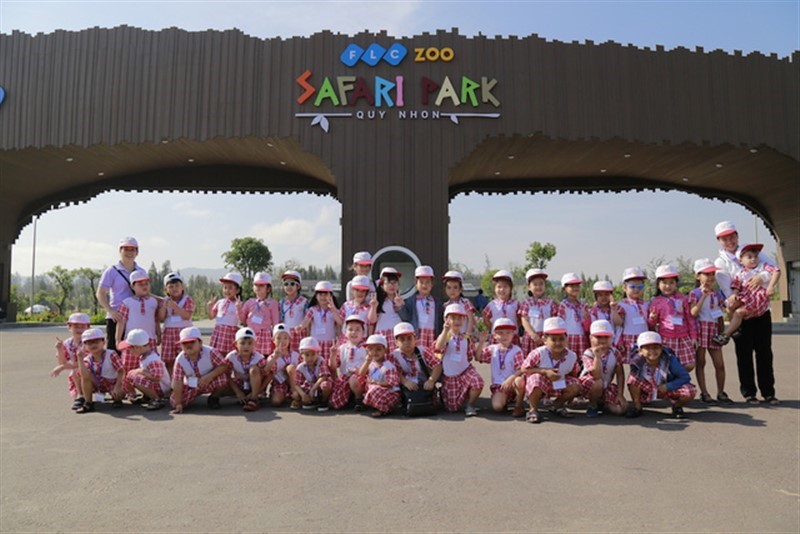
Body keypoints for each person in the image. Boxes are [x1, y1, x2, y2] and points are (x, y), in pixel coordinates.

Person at [713, 221, 780, 404]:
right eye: (724, 238)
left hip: (762, 310)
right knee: (744, 354)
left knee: (764, 352)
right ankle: (749, 393)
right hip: (742, 312)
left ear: (737, 235)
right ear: (719, 240)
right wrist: (736, 306)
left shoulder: (751, 250)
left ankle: (768, 392)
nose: (730, 241)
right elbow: (728, 290)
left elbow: (774, 269)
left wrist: (761, 277)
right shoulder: (721, 262)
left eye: (732, 236)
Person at [714, 244, 780, 345]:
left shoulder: (763, 266)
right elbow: (736, 285)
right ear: (741, 261)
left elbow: (776, 271)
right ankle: (734, 329)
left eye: (755, 256)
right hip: (746, 297)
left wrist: (771, 286)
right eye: (749, 257)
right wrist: (734, 294)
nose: (753, 259)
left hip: (757, 298)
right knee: (730, 306)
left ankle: (726, 334)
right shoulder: (741, 273)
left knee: (739, 312)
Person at [520, 317, 582, 424]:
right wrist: (544, 372)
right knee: (535, 379)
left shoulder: (571, 356)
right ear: (544, 340)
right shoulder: (538, 353)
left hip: (559, 382)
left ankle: (556, 406)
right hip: (541, 383)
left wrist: (571, 393)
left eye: (561, 339)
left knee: (576, 385)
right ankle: (533, 409)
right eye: (553, 339)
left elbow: (573, 373)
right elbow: (524, 369)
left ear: (566, 339)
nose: (558, 343)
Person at [688, 259, 733, 404]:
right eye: (706, 274)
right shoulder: (694, 293)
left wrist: (723, 332)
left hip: (713, 331)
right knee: (701, 363)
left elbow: (720, 315)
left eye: (712, 274)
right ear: (698, 276)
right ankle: (704, 393)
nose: (710, 277)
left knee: (719, 364)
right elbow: (693, 313)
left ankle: (721, 392)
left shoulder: (717, 295)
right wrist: (703, 296)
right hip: (700, 330)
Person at [625, 331, 697, 419]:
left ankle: (677, 407)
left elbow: (685, 377)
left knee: (690, 391)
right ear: (640, 351)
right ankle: (637, 407)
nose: (652, 351)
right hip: (648, 388)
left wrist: (668, 386)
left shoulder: (670, 359)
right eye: (647, 348)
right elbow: (634, 379)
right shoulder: (637, 361)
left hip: (666, 388)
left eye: (655, 348)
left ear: (661, 348)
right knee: (632, 379)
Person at [434, 303, 487, 416]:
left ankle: (470, 404)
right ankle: (444, 393)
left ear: (464, 320)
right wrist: (445, 331)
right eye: (453, 318)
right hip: (450, 376)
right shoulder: (445, 336)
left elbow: (472, 356)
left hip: (465, 371)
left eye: (460, 318)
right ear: (446, 319)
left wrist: (481, 341)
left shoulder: (466, 338)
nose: (457, 321)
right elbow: (438, 346)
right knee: (452, 408)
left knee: (477, 381)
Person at [647, 265, 697, 372]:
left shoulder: (683, 299)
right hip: (666, 338)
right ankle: (673, 380)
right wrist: (652, 318)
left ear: (676, 283)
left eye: (671, 283)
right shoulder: (656, 301)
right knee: (667, 366)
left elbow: (690, 319)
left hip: (683, 337)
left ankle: (678, 377)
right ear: (658, 284)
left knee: (690, 364)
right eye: (664, 283)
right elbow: (651, 325)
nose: (668, 286)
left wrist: (693, 336)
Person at [96, 236, 142, 352]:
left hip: (135, 316)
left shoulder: (141, 271)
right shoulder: (111, 271)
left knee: (135, 353)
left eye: (132, 249)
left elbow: (145, 293)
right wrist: (111, 311)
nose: (129, 252)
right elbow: (100, 293)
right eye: (126, 249)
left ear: (137, 252)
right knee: (114, 352)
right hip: (117, 317)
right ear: (120, 251)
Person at [170, 327, 229, 414]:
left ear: (200, 342)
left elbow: (223, 366)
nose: (188, 345)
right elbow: (177, 382)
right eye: (184, 343)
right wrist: (178, 403)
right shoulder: (180, 359)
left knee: (223, 379)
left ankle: (214, 398)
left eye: (192, 342)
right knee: (173, 402)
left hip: (210, 381)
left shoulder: (211, 352)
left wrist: (209, 376)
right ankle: (192, 397)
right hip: (191, 385)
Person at [475, 318, 525, 417]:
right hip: (499, 385)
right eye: (500, 333)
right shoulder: (493, 349)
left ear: (513, 334)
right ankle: (503, 399)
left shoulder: (516, 350)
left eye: (508, 333)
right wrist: (481, 343)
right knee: (497, 407)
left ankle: (518, 405)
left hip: (512, 382)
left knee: (519, 381)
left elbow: (521, 369)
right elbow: (478, 357)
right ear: (495, 335)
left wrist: (511, 378)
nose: (504, 336)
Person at [116, 269, 161, 377]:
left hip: (149, 340)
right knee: (128, 366)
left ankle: (147, 386)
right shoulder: (127, 302)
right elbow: (121, 322)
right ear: (132, 286)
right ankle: (128, 386)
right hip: (131, 341)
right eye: (140, 284)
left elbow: (156, 320)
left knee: (149, 366)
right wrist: (117, 339)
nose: (144, 286)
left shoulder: (153, 302)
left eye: (146, 283)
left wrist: (159, 335)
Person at [579, 320, 627, 417]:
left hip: (606, 385)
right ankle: (592, 405)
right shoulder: (588, 353)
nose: (603, 340)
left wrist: (620, 394)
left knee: (620, 409)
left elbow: (620, 374)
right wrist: (597, 357)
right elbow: (596, 374)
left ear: (611, 338)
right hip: (590, 385)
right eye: (598, 337)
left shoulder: (615, 353)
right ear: (591, 338)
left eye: (606, 337)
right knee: (598, 382)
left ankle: (602, 402)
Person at [389, 322, 441, 412]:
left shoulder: (423, 351)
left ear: (415, 338)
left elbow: (437, 365)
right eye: (402, 339)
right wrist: (404, 381)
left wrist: (431, 380)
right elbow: (394, 372)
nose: (406, 342)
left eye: (409, 338)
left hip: (424, 386)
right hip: (405, 387)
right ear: (396, 342)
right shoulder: (394, 356)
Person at [75, 328, 125, 413]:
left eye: (96, 341)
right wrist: (80, 359)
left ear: (103, 342)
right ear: (84, 345)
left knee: (118, 394)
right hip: (98, 383)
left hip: (113, 382)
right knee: (83, 375)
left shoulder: (111, 354)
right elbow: (84, 376)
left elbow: (121, 371)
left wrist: (117, 386)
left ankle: (117, 400)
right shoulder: (87, 359)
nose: (93, 345)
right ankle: (88, 402)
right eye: (89, 342)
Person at [119, 329, 170, 411]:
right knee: (131, 374)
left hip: (161, 387)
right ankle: (147, 396)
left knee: (136, 377)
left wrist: (141, 371)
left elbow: (157, 377)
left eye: (130, 348)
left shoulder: (152, 359)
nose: (130, 351)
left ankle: (156, 399)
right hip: (156, 385)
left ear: (137, 347)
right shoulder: (145, 356)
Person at [50, 312, 91, 410]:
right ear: (69, 327)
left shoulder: (89, 342)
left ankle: (83, 396)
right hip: (79, 373)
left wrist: (63, 367)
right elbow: (62, 362)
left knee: (76, 371)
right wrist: (60, 349)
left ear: (88, 328)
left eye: (82, 326)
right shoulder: (67, 343)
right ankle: (81, 395)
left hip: (93, 370)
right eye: (76, 326)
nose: (79, 329)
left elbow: (84, 363)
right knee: (75, 372)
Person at [221, 327, 267, 412]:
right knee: (220, 390)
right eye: (242, 343)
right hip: (240, 384)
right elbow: (226, 374)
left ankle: (254, 399)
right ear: (235, 344)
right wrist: (237, 392)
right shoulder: (231, 357)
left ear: (255, 344)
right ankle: (242, 396)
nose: (246, 346)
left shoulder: (259, 358)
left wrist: (256, 391)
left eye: (250, 343)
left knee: (254, 369)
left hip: (255, 385)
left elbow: (269, 375)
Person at [158, 272, 194, 375]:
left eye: (177, 285)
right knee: (169, 361)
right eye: (171, 286)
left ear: (182, 287)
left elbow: (187, 316)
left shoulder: (188, 300)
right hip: (169, 334)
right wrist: (163, 307)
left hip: (184, 333)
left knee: (186, 359)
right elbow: (160, 317)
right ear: (166, 289)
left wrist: (176, 307)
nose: (174, 289)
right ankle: (171, 381)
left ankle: (185, 380)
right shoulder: (164, 301)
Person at [329, 315, 368, 410]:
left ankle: (359, 399)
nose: (354, 332)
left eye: (357, 329)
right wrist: (333, 355)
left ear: (363, 332)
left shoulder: (366, 348)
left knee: (354, 380)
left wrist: (360, 371)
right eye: (350, 329)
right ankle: (349, 398)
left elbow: (372, 365)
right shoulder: (342, 348)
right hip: (345, 377)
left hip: (361, 377)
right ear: (345, 332)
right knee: (334, 402)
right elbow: (333, 366)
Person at [400, 265, 443, 350]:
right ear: (416, 283)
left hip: (432, 334)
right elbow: (406, 318)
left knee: (432, 355)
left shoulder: (436, 302)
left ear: (432, 284)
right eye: (421, 282)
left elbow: (440, 320)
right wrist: (400, 306)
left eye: (427, 282)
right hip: (417, 334)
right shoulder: (411, 301)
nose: (424, 285)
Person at [612, 267, 651, 364]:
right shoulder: (622, 305)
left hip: (644, 336)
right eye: (632, 287)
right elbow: (619, 322)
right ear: (625, 288)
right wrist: (613, 310)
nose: (636, 290)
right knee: (630, 363)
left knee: (645, 362)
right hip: (629, 338)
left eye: (640, 287)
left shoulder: (646, 304)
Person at [359, 334, 402, 417]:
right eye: (371, 349)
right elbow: (361, 373)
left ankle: (384, 409)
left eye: (378, 349)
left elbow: (391, 382)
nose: (374, 352)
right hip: (376, 391)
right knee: (364, 384)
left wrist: (377, 383)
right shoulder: (371, 363)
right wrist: (367, 362)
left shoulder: (388, 366)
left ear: (385, 350)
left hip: (390, 393)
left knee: (375, 389)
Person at [238, 272, 280, 357]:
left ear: (268, 289)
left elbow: (276, 322)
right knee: (249, 356)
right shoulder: (249, 302)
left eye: (261, 285)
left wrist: (276, 336)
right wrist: (238, 309)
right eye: (256, 285)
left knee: (263, 357)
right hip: (250, 333)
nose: (258, 287)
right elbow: (242, 319)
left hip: (264, 335)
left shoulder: (272, 303)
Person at [300, 281, 342, 363]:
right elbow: (306, 321)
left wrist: (333, 308)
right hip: (315, 343)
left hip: (330, 343)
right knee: (315, 363)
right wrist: (300, 326)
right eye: (320, 294)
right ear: (316, 296)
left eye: (326, 294)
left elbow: (340, 322)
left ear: (331, 296)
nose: (323, 297)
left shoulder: (334, 311)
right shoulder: (312, 310)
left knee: (329, 364)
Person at [519, 268, 557, 354]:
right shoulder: (527, 303)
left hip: (546, 337)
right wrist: (533, 334)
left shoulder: (551, 303)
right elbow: (524, 320)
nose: (538, 287)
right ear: (529, 287)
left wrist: (548, 335)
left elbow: (553, 319)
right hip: (531, 337)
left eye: (541, 284)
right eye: (535, 284)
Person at [264, 324, 300, 407]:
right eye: (278, 338)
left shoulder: (295, 355)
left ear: (290, 339)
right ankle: (285, 395)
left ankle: (293, 392)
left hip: (295, 383)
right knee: (276, 401)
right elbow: (266, 371)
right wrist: (275, 357)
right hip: (280, 382)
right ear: (273, 340)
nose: (282, 341)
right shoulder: (272, 357)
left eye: (285, 338)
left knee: (290, 368)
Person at [369, 267, 405, 352]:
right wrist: (373, 307)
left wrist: (401, 306)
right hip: (383, 335)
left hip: (398, 335)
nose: (392, 285)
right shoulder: (378, 301)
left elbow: (406, 318)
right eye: (388, 283)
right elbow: (372, 320)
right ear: (382, 285)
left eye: (394, 282)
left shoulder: (402, 300)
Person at [292, 337, 332, 411]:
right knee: (295, 394)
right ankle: (309, 401)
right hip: (309, 386)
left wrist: (313, 389)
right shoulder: (301, 367)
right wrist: (303, 395)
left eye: (313, 354)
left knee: (325, 385)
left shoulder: (321, 361)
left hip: (318, 385)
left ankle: (324, 401)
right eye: (307, 355)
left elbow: (324, 376)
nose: (310, 358)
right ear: (301, 355)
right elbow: (297, 384)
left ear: (317, 354)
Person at [206, 272, 243, 355]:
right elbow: (211, 317)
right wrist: (209, 307)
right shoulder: (220, 302)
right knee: (216, 353)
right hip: (218, 332)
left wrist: (239, 309)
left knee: (229, 354)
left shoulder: (239, 304)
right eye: (225, 287)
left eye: (230, 288)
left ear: (237, 290)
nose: (227, 290)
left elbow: (241, 320)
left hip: (230, 333)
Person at [557, 273, 590, 357]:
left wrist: (586, 317)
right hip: (569, 338)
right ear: (564, 289)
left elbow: (587, 324)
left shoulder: (582, 305)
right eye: (571, 286)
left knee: (582, 360)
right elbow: (560, 323)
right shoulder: (563, 305)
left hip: (581, 337)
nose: (575, 288)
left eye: (577, 286)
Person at [482, 270, 520, 341]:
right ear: (494, 289)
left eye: (505, 287)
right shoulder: (492, 304)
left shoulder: (516, 304)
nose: (502, 289)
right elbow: (485, 318)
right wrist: (493, 327)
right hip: (497, 337)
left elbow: (520, 319)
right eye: (499, 287)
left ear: (510, 288)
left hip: (512, 337)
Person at [278, 270, 308, 353]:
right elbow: (280, 319)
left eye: (292, 284)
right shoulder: (282, 302)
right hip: (286, 333)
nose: (289, 287)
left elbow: (307, 319)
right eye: (286, 284)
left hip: (299, 333)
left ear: (298, 286)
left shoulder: (304, 301)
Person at [442, 270, 476, 337]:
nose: (452, 291)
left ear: (461, 289)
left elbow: (471, 319)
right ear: (445, 289)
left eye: (455, 287)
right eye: (449, 288)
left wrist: (468, 334)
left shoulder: (465, 302)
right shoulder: (445, 305)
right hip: (450, 337)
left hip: (464, 335)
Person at [338, 275, 372, 342]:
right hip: (346, 339)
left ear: (366, 293)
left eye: (363, 291)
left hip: (362, 340)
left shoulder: (369, 308)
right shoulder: (346, 305)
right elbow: (340, 322)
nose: (360, 293)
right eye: (357, 290)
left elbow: (371, 325)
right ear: (352, 291)